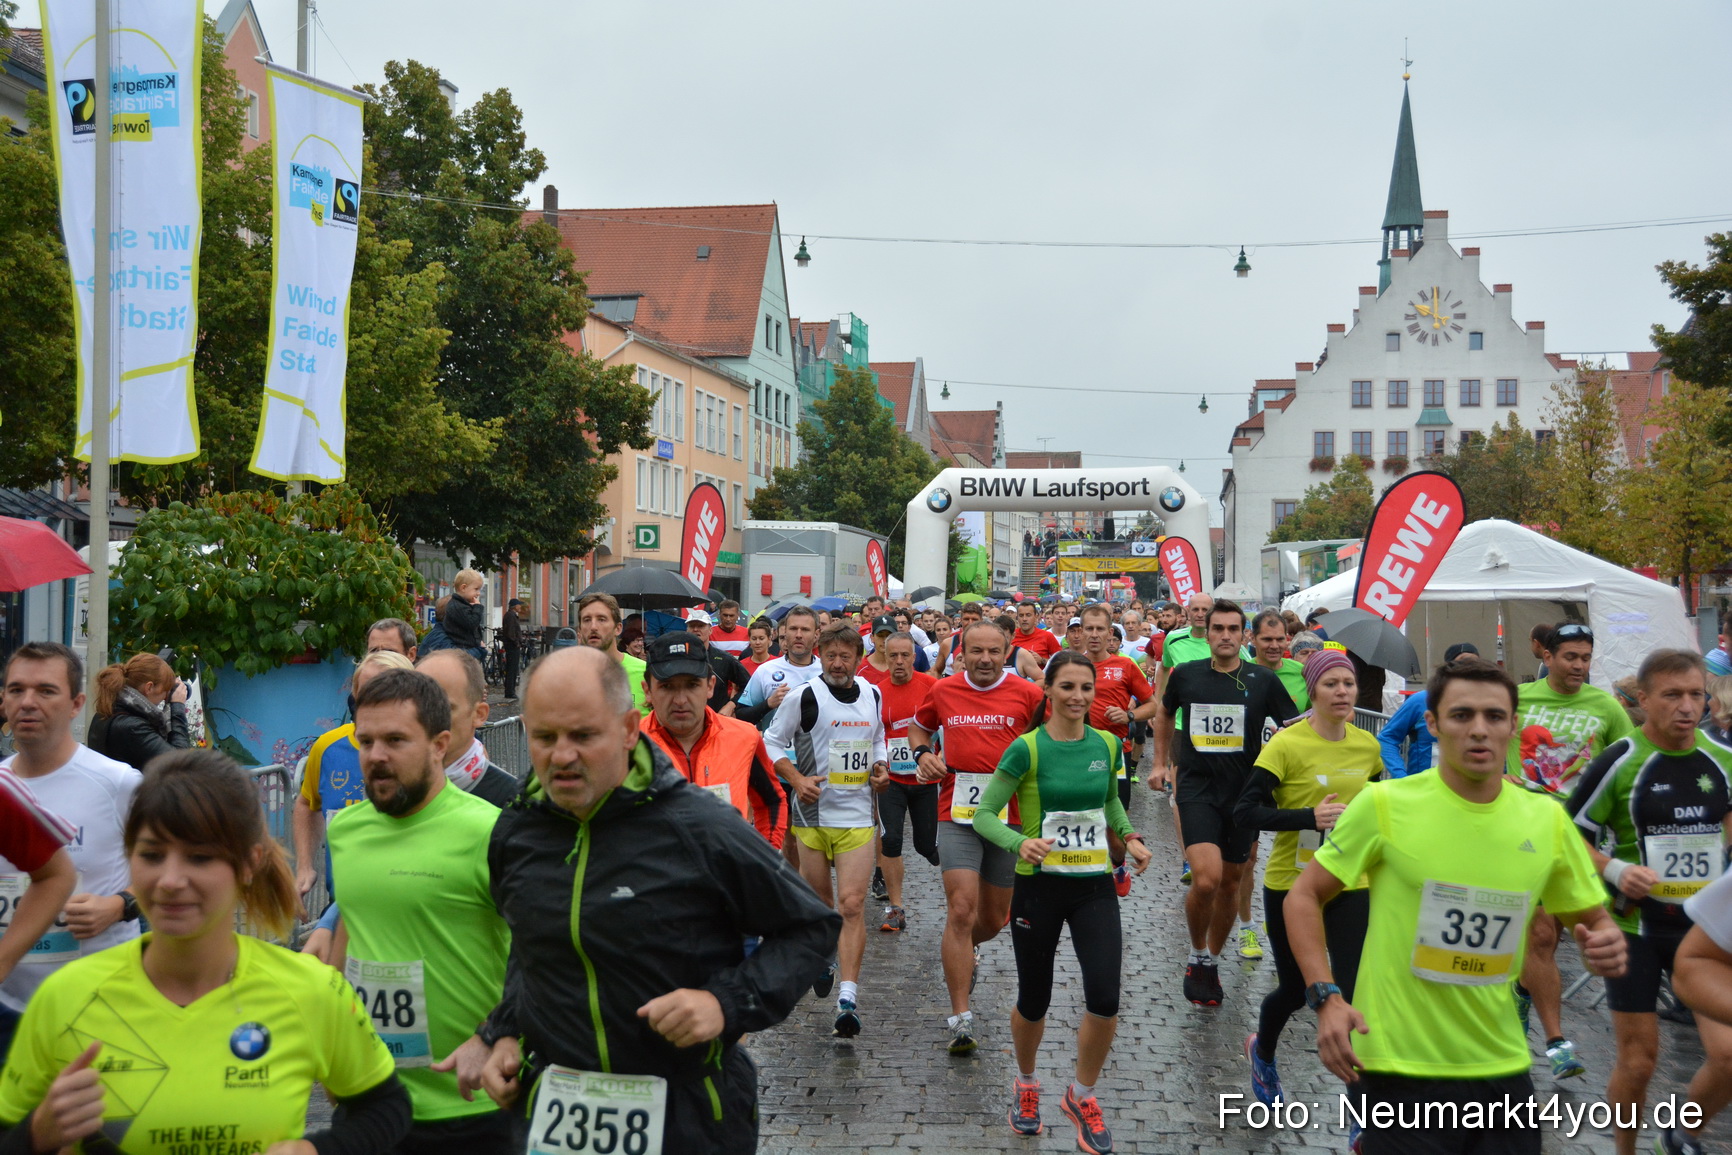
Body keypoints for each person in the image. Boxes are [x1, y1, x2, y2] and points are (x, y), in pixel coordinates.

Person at [472, 648, 840, 1151]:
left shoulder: (697, 825)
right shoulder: (517, 829)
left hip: (687, 1113)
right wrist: (504, 1032)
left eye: (583, 736)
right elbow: (531, 943)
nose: (562, 755)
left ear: (629, 730)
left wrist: (724, 1003)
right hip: (557, 1112)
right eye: (544, 737)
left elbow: (812, 928)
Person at [1285, 657, 1625, 1155]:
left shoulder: (1546, 820)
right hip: (1400, 1066)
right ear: (1433, 723)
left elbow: (1591, 918)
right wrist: (1326, 997)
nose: (1479, 730)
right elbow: (1304, 895)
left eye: (1494, 716)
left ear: (1513, 726)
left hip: (1502, 1064)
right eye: (1462, 715)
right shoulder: (1384, 805)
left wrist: (1606, 938)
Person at [0, 748, 412, 1152]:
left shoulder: (310, 990)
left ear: (249, 864)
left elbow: (386, 1106)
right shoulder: (64, 997)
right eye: (152, 855)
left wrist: (314, 1150)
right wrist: (34, 1135)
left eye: (199, 858)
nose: (170, 880)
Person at [330, 669, 514, 1152]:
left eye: (395, 740)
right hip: (372, 1100)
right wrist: (329, 1043)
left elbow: (544, 953)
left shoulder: (491, 831)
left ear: (439, 745)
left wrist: (493, 1036)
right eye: (365, 741)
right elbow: (352, 929)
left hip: (470, 1106)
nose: (376, 756)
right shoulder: (346, 830)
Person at [974, 652, 1150, 1153]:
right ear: (1047, 690)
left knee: (1105, 997)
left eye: (1086, 688)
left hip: (1094, 885)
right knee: (1035, 999)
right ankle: (1027, 1084)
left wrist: (1129, 836)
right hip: (1039, 887)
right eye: (1067, 687)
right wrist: (1018, 843)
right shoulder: (1026, 748)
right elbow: (984, 814)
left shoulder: (1108, 743)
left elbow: (1109, 800)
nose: (1078, 696)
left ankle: (1082, 1094)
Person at [1566, 649, 1732, 1155]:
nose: (1687, 706)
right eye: (1672, 695)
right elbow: (1568, 837)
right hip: (1635, 929)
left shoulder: (1723, 758)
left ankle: (1679, 1137)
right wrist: (1616, 869)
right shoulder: (1621, 759)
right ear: (1644, 698)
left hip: (1705, 936)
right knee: (1639, 1062)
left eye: (1697, 695)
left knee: (1728, 1056)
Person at [1234, 648, 1379, 1107]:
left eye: (1348, 684)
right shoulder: (1285, 745)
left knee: (1352, 991)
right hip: (1292, 885)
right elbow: (1245, 811)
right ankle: (1263, 1051)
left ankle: (1361, 1111)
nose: (1342, 692)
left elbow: (1380, 807)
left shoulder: (1368, 747)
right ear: (1312, 691)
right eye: (1331, 684)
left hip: (1351, 882)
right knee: (1297, 991)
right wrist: (1307, 817)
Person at [1148, 600, 1297, 1007]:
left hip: (1244, 793)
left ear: (1244, 635)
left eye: (1233, 629)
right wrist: (1160, 763)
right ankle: (1196, 952)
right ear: (1207, 633)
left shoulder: (1262, 679)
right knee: (1206, 879)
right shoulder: (1186, 674)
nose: (1226, 636)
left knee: (1232, 881)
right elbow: (1164, 714)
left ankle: (1211, 962)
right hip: (1196, 787)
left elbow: (1292, 725)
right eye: (1219, 628)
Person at [0, 642, 143, 1060]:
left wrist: (119, 905)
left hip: (97, 1004)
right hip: (9, 1008)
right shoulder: (2, 788)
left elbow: (174, 868)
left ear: (76, 704)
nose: (28, 702)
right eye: (16, 690)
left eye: (46, 691)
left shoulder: (117, 782)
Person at [910, 619, 1045, 1054]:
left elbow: (1053, 738)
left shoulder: (1029, 694)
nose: (985, 659)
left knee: (993, 918)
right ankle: (960, 1017)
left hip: (1011, 817)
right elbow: (919, 728)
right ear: (961, 654)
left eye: (994, 651)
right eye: (976, 651)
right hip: (956, 812)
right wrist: (923, 753)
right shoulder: (943, 690)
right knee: (961, 909)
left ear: (1007, 653)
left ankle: (965, 952)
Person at [1509, 621, 1636, 1081]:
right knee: (1542, 935)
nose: (1579, 666)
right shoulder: (1519, 699)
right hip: (1524, 832)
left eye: (1585, 658)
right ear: (1547, 657)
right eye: (1570, 657)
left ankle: (1522, 991)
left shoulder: (1606, 707)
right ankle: (1556, 1041)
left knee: (1564, 936)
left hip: (1580, 838)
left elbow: (1628, 763)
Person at [765, 623, 886, 1036]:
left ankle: (848, 999)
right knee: (822, 905)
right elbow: (771, 742)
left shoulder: (872, 693)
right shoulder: (804, 696)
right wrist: (797, 780)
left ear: (858, 659)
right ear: (821, 656)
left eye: (845, 657)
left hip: (857, 817)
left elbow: (879, 738)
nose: (837, 664)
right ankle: (825, 956)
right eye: (830, 656)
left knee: (851, 904)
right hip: (812, 818)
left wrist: (881, 767)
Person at [639, 632, 788, 848]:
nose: (680, 700)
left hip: (727, 868)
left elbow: (771, 801)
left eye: (692, 685)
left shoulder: (744, 737)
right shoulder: (626, 746)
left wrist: (765, 857)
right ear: (647, 690)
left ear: (710, 686)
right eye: (667, 686)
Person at [291, 650, 416, 904]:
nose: (375, 700)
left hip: (409, 909)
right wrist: (305, 866)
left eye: (387, 690)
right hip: (343, 907)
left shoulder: (426, 750)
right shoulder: (328, 747)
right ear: (355, 695)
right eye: (368, 691)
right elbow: (306, 803)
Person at [1075, 603, 1156, 896]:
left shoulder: (1125, 666)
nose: (1094, 634)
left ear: (1110, 633)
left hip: (1115, 754)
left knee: (1115, 824)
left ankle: (1119, 863)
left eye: (1100, 629)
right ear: (1080, 632)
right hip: (1076, 753)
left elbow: (1152, 706)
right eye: (1089, 628)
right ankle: (1082, 870)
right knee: (1077, 815)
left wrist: (1129, 715)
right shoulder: (1071, 665)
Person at [868, 631, 938, 933]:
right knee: (891, 839)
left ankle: (954, 867)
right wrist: (877, 766)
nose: (898, 661)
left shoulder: (932, 687)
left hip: (925, 781)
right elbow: (870, 735)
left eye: (904, 655)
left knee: (926, 846)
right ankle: (895, 909)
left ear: (914, 657)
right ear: (885, 656)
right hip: (892, 780)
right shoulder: (875, 692)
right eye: (892, 655)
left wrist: (938, 758)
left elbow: (947, 727)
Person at [416, 650, 521, 807]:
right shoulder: (388, 787)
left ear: (479, 714)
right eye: (416, 707)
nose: (424, 718)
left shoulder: (514, 804)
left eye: (442, 708)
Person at [1379, 642, 1480, 777]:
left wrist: (1502, 775)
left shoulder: (1485, 703)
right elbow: (1387, 738)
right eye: (1463, 661)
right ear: (1448, 668)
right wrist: (1400, 776)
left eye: (1476, 663)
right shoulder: (1422, 700)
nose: (1470, 668)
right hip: (1422, 786)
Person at [85, 652, 192, 771]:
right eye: (165, 691)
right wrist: (177, 707)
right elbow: (180, 764)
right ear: (149, 687)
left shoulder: (110, 710)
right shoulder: (133, 727)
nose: (165, 697)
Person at [736, 606, 823, 727]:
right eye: (793, 629)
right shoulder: (766, 670)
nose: (798, 635)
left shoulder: (826, 671)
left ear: (816, 634)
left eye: (805, 629)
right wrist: (768, 704)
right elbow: (741, 715)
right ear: (785, 632)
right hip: (775, 739)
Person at [576, 591, 648, 710]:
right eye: (587, 620)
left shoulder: (645, 672)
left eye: (601, 619)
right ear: (580, 629)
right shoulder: (568, 675)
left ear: (618, 628)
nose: (593, 627)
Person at [684, 610, 751, 716]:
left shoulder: (724, 658)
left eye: (701, 626)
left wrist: (731, 705)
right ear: (687, 630)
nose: (696, 629)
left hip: (717, 719)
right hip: (685, 719)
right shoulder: (677, 658)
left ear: (710, 630)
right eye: (692, 626)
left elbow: (749, 686)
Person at [443, 569, 487, 662]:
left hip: (466, 648)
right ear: (463, 588)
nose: (478, 593)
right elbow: (472, 623)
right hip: (463, 649)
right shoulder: (457, 606)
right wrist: (477, 608)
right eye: (476, 589)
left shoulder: (461, 605)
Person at [500, 599, 523, 699]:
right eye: (519, 605)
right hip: (512, 646)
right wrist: (516, 642)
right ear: (515, 606)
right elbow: (510, 632)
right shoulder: (510, 616)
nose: (520, 607)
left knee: (513, 668)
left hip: (512, 645)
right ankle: (510, 691)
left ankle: (511, 690)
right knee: (511, 669)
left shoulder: (512, 615)